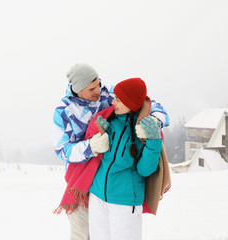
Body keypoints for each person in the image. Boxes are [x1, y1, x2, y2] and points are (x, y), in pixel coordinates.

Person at [52, 63, 169, 240]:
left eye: (98, 84)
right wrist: (90, 147)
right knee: (81, 233)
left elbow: (144, 101)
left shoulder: (109, 93)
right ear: (78, 89)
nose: (99, 91)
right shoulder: (64, 112)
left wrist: (153, 123)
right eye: (92, 88)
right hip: (83, 181)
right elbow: (62, 150)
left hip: (118, 190)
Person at [88, 77, 162, 240]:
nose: (113, 102)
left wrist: (154, 143)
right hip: (98, 196)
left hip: (125, 201)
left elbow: (145, 170)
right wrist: (99, 132)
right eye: (114, 97)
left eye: (119, 99)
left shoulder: (143, 129)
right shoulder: (110, 120)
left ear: (131, 102)